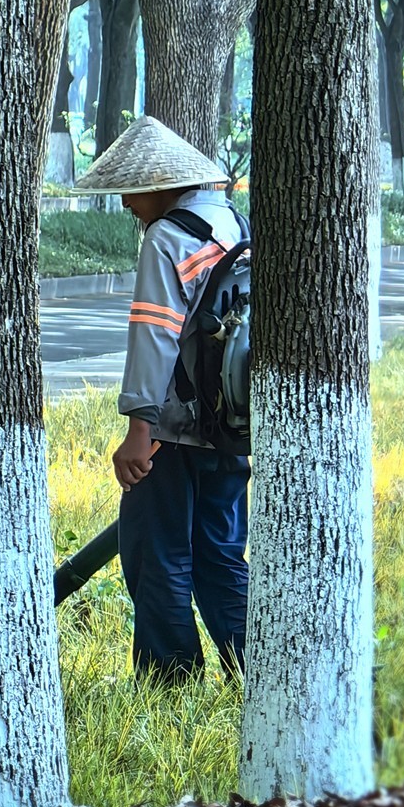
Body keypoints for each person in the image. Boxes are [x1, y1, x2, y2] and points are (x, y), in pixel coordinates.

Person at [75, 115, 250, 683]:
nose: (126, 202)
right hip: (230, 426)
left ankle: (170, 684)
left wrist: (139, 429)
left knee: (157, 556)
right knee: (221, 556)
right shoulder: (233, 221)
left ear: (160, 183)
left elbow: (155, 334)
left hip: (171, 434)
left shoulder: (166, 238)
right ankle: (259, 671)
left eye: (131, 189)